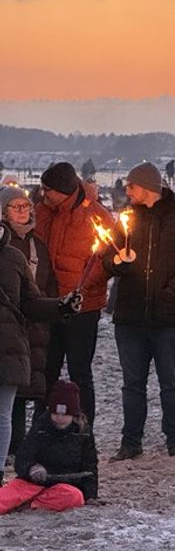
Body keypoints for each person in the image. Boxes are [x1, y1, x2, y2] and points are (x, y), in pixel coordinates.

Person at [104, 163, 175, 461]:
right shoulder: (126, 219)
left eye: (131, 186)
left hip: (168, 316)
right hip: (130, 315)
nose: (127, 191)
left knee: (171, 382)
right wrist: (117, 265)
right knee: (132, 384)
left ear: (148, 187)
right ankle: (130, 441)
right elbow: (105, 257)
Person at [34, 162, 113, 427]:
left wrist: (80, 287)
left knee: (80, 371)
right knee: (47, 369)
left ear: (64, 190)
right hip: (49, 304)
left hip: (82, 306)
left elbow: (106, 261)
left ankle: (84, 426)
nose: (43, 194)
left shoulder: (97, 216)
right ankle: (42, 426)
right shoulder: (43, 212)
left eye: (48, 190)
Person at [1, 222, 80, 471]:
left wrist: (61, 306)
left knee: (2, 415)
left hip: (8, 346)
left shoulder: (13, 256)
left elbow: (30, 302)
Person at [1, 186, 58, 458]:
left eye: (26, 206)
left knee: (20, 397)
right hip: (13, 328)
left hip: (28, 330)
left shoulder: (34, 248)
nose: (24, 211)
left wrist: (60, 306)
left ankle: (14, 456)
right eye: (16, 206)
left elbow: (36, 294)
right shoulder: (10, 252)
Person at [0, 381, 97, 513]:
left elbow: (90, 467)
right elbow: (22, 457)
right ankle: (26, 502)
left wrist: (91, 496)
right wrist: (31, 469)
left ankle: (31, 505)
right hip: (31, 484)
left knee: (74, 497)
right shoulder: (41, 427)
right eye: (55, 413)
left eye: (65, 414)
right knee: (4, 497)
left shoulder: (84, 433)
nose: (59, 418)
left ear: (74, 415)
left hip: (63, 487)